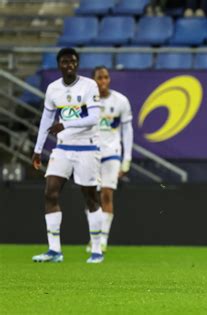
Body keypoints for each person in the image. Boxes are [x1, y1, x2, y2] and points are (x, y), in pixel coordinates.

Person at [31, 47, 104, 264]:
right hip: (62, 148)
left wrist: (65, 123)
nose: (69, 65)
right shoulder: (53, 89)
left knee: (90, 198)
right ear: (59, 65)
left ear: (77, 64)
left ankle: (97, 250)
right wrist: (37, 149)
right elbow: (46, 120)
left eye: (72, 62)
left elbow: (94, 118)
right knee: (50, 193)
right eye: (65, 62)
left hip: (87, 148)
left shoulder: (89, 85)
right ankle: (55, 250)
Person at [86, 66, 133, 253]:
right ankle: (94, 238)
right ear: (93, 80)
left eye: (106, 77)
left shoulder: (120, 101)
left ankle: (103, 240)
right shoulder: (86, 102)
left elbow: (127, 131)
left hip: (112, 152)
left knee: (106, 194)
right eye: (99, 77)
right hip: (90, 153)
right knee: (91, 197)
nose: (103, 81)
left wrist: (126, 159)